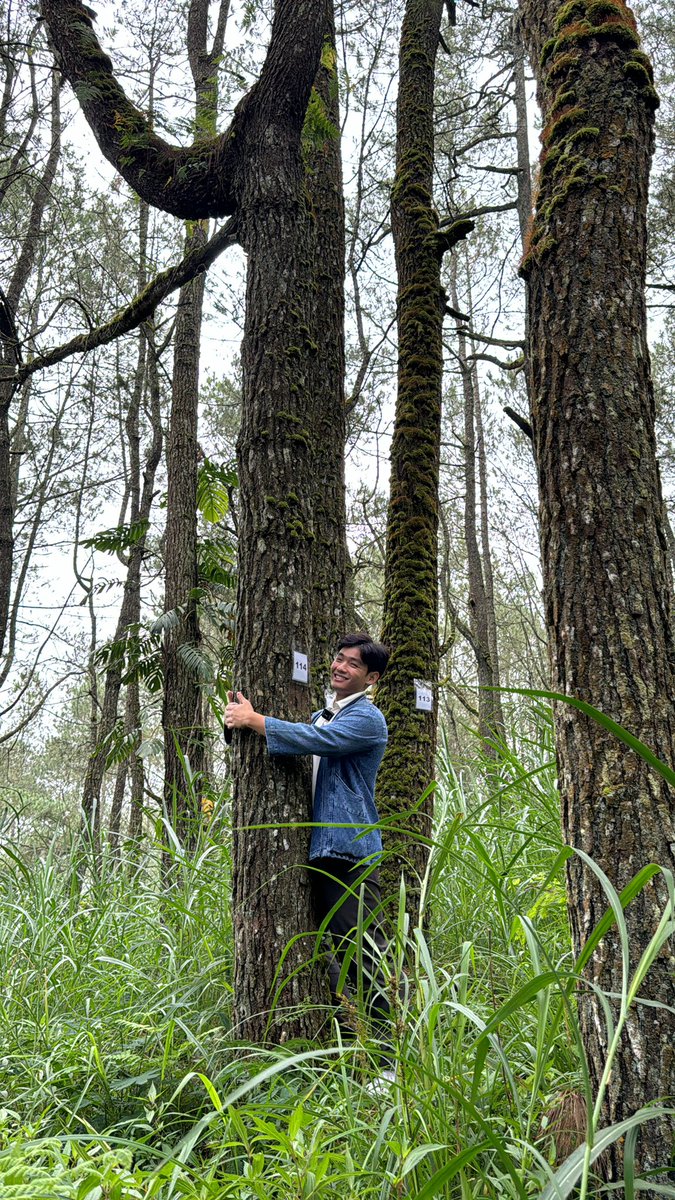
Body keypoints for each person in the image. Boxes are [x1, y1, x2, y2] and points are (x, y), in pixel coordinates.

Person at [223, 632, 392, 1041]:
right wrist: (235, 723)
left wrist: (257, 720)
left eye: (353, 664)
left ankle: (390, 1060)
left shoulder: (367, 718)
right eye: (338, 658)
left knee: (363, 953)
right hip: (322, 849)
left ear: (371, 678)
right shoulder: (322, 714)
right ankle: (352, 1040)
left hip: (350, 851)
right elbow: (308, 733)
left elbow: (322, 742)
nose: (340, 667)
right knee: (320, 951)